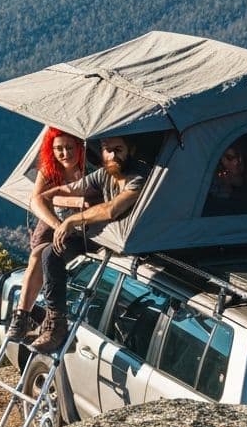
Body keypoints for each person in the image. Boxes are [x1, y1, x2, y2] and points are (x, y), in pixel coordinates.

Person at [31, 136, 149, 354]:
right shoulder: (104, 173)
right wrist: (57, 200)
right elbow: (58, 193)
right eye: (107, 150)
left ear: (130, 150)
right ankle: (56, 325)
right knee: (51, 253)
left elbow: (112, 209)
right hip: (99, 238)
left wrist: (72, 219)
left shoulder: (139, 178)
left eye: (118, 149)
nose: (113, 155)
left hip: (125, 245)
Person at [8, 128, 86, 342]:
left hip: (80, 228)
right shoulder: (49, 170)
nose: (65, 154)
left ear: (80, 147)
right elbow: (36, 201)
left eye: (70, 148)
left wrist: (62, 203)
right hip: (54, 224)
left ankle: (24, 316)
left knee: (42, 256)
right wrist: (57, 224)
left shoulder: (89, 171)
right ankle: (22, 316)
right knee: (37, 255)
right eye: (58, 149)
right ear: (51, 150)